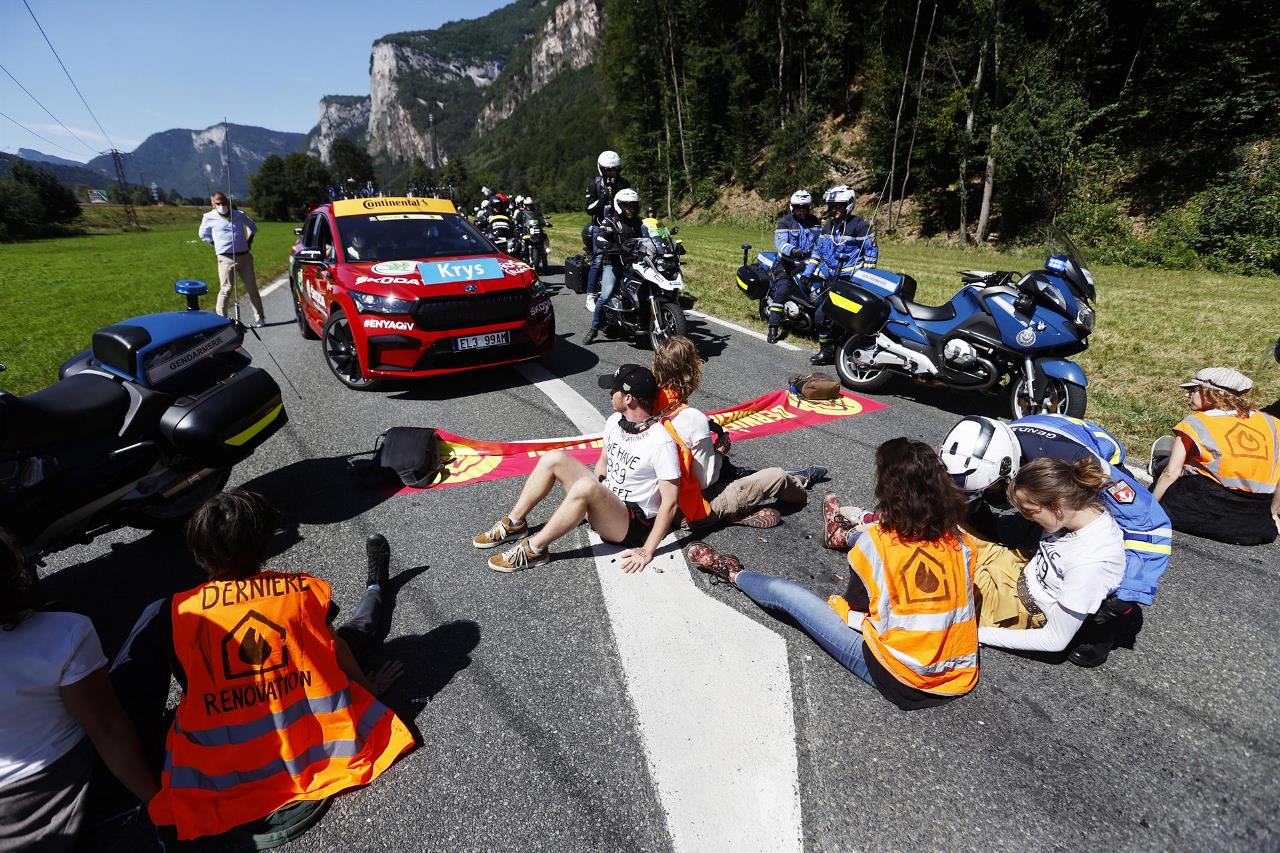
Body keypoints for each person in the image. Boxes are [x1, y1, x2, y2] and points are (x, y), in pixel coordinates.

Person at [113, 491, 413, 847]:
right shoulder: (298, 591)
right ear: (264, 545)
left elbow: (131, 697)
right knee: (355, 632)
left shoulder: (173, 613)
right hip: (310, 751)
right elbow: (338, 649)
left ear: (198, 552)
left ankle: (377, 583)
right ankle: (376, 584)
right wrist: (367, 688)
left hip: (224, 776)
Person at [685, 438, 979, 710]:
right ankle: (841, 535)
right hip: (959, 676)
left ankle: (732, 573)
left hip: (898, 675)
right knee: (875, 549)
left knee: (790, 597)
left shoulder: (875, 543)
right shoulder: (963, 543)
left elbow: (855, 606)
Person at [938, 414, 1169, 666]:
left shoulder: (1077, 467)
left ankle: (1102, 626)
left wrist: (1128, 592)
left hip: (1099, 464)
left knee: (1110, 581)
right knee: (967, 528)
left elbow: (1150, 524)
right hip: (1051, 508)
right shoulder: (997, 444)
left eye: (992, 489)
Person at [0, 529, 159, 852]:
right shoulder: (65, 632)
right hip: (51, 791)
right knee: (155, 620)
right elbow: (106, 728)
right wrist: (160, 804)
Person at [473, 364, 680, 573]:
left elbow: (670, 503)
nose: (610, 393)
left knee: (585, 486)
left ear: (628, 398)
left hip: (630, 523)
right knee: (554, 458)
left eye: (614, 390)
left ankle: (535, 549)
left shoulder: (660, 443)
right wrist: (593, 502)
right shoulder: (615, 422)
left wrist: (646, 550)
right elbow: (603, 464)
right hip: (608, 504)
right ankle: (514, 523)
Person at [651, 336, 826, 529]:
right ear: (692, 370)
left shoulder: (649, 402)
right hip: (686, 510)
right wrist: (719, 452)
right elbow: (705, 480)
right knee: (777, 477)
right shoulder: (692, 418)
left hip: (657, 499)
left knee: (738, 475)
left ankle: (741, 506)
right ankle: (798, 484)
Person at [975, 457, 1127, 658]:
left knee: (942, 592)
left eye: (1029, 512)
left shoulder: (1090, 563)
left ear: (1056, 507)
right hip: (1016, 569)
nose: (1026, 517)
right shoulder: (1078, 511)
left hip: (1019, 608)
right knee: (951, 536)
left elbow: (1054, 639)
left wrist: (978, 634)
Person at [1150, 367, 1280, 545]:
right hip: (1252, 525)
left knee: (1164, 472)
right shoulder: (1273, 424)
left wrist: (1149, 508)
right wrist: (1270, 515)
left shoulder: (1196, 423)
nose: (1187, 395)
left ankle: (1157, 463)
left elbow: (1170, 473)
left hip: (1197, 510)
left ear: (1213, 393)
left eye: (1193, 390)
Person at [809, 185, 878, 365]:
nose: (834, 210)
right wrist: (809, 272)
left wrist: (866, 279)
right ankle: (826, 351)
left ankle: (844, 350)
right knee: (821, 316)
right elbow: (818, 251)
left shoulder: (860, 226)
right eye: (832, 206)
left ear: (849, 204)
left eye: (838, 206)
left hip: (851, 282)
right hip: (831, 280)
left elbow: (871, 254)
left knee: (844, 318)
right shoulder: (828, 227)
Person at [583, 188, 649, 345]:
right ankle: (594, 329)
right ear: (619, 206)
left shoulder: (640, 222)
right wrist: (615, 247)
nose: (631, 209)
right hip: (614, 263)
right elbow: (600, 238)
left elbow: (651, 237)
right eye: (628, 206)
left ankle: (644, 321)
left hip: (635, 263)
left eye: (634, 206)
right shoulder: (610, 221)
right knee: (605, 295)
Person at [198, 192, 264, 326]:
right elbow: (203, 234)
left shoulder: (239, 214)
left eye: (224, 203)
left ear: (228, 203)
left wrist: (249, 240)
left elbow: (252, 227)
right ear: (213, 204)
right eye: (218, 203)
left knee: (252, 288)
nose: (222, 206)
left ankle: (259, 317)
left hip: (244, 257)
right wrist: (215, 243)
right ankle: (221, 320)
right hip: (225, 258)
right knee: (226, 289)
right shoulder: (209, 217)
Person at [767, 190, 821, 344]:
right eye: (798, 207)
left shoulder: (815, 222)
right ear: (792, 207)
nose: (801, 210)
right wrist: (793, 251)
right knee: (782, 290)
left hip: (808, 263)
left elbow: (821, 242)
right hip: (786, 263)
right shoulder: (785, 222)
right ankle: (773, 328)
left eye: (804, 207)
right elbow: (780, 243)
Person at [584, 150, 632, 312]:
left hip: (621, 226)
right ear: (601, 169)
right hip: (600, 226)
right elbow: (589, 209)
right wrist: (603, 198)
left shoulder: (624, 184)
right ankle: (590, 296)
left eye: (615, 169)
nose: (612, 173)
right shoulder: (595, 184)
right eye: (609, 170)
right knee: (598, 259)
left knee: (630, 256)